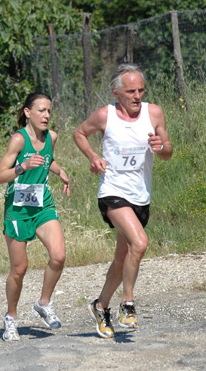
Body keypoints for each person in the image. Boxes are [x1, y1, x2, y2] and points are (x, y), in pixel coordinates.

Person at [73, 63, 172, 338]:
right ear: (116, 92)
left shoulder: (154, 113)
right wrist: (94, 157)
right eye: (130, 91)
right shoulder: (105, 116)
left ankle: (100, 305)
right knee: (139, 243)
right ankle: (127, 304)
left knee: (122, 258)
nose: (137, 96)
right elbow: (79, 133)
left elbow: (168, 151)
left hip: (141, 196)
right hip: (113, 193)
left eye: (140, 90)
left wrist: (161, 147)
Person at [0, 92, 70, 341]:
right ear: (27, 112)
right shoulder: (18, 140)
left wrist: (61, 172)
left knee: (58, 256)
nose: (46, 115)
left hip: (42, 205)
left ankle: (43, 303)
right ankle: (11, 319)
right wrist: (23, 167)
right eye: (41, 110)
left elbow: (48, 159)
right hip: (17, 209)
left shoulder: (52, 137)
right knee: (19, 269)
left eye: (49, 110)